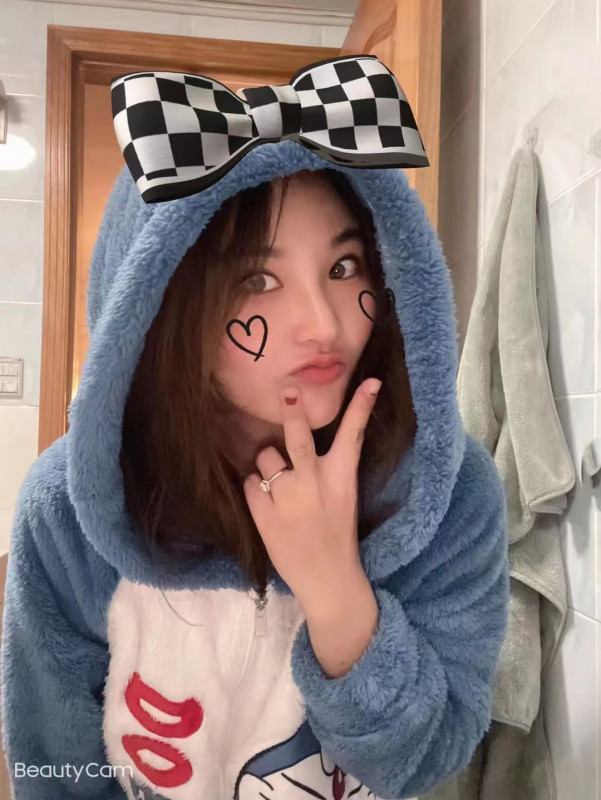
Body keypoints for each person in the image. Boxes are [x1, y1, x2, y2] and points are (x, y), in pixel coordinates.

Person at [0, 137, 509, 798]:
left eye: (345, 265)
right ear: (160, 301)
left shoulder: (446, 496)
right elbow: (55, 771)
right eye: (256, 280)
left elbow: (428, 761)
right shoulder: (70, 510)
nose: (323, 324)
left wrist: (337, 596)